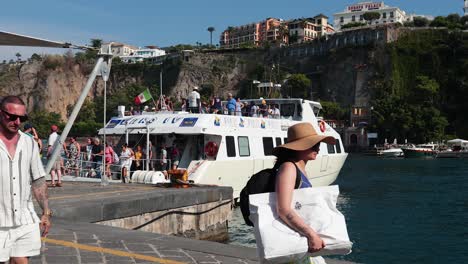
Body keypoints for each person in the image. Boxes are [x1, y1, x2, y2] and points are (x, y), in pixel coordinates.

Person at [271, 122, 335, 263]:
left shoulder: (300, 169)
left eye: (318, 144)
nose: (318, 148)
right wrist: (311, 234)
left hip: (299, 240)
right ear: (299, 147)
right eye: (313, 144)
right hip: (293, 243)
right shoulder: (289, 168)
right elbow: (283, 209)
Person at [0, 95, 52, 263]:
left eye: (21, 118)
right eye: (12, 116)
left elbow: (38, 180)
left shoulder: (29, 143)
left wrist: (45, 213)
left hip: (25, 218)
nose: (17, 121)